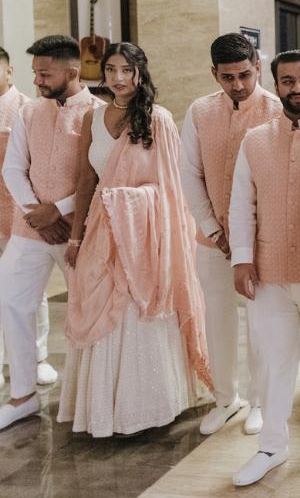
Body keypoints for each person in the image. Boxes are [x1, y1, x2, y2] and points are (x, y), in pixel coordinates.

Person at [60, 43, 211, 435]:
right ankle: (104, 411)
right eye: (111, 70)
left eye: (126, 70)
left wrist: (129, 202)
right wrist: (75, 239)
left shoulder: (158, 119)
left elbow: (172, 188)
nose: (118, 78)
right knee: (99, 309)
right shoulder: (93, 118)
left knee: (137, 312)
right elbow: (85, 181)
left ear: (140, 72)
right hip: (101, 234)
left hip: (145, 239)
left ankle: (148, 409)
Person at [228, 50, 300, 485]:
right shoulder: (255, 139)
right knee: (272, 360)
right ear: (275, 85)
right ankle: (271, 446)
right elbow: (241, 203)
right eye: (288, 81)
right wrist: (242, 258)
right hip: (268, 271)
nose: (297, 88)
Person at [180, 32, 281, 437]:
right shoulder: (199, 111)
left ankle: (260, 401)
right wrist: (213, 229)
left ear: (258, 67)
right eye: (228, 77)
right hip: (212, 239)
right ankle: (226, 399)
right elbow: (189, 173)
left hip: (261, 241)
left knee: (260, 322)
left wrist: (247, 239)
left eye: (244, 75)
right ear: (214, 74)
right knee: (217, 319)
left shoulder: (277, 110)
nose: (238, 84)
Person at [0, 35, 99, 430]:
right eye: (36, 73)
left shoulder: (99, 112)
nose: (38, 81)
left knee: (87, 309)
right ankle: (22, 395)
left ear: (72, 72)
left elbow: (101, 176)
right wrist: (37, 213)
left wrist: (58, 211)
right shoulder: (28, 112)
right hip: (30, 229)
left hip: (80, 232)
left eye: (45, 74)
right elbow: (12, 169)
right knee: (10, 299)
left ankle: (84, 395)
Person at [0, 47, 55, 393]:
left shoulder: (26, 108)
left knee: (31, 288)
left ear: (9, 71)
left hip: (20, 210)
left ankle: (38, 357)